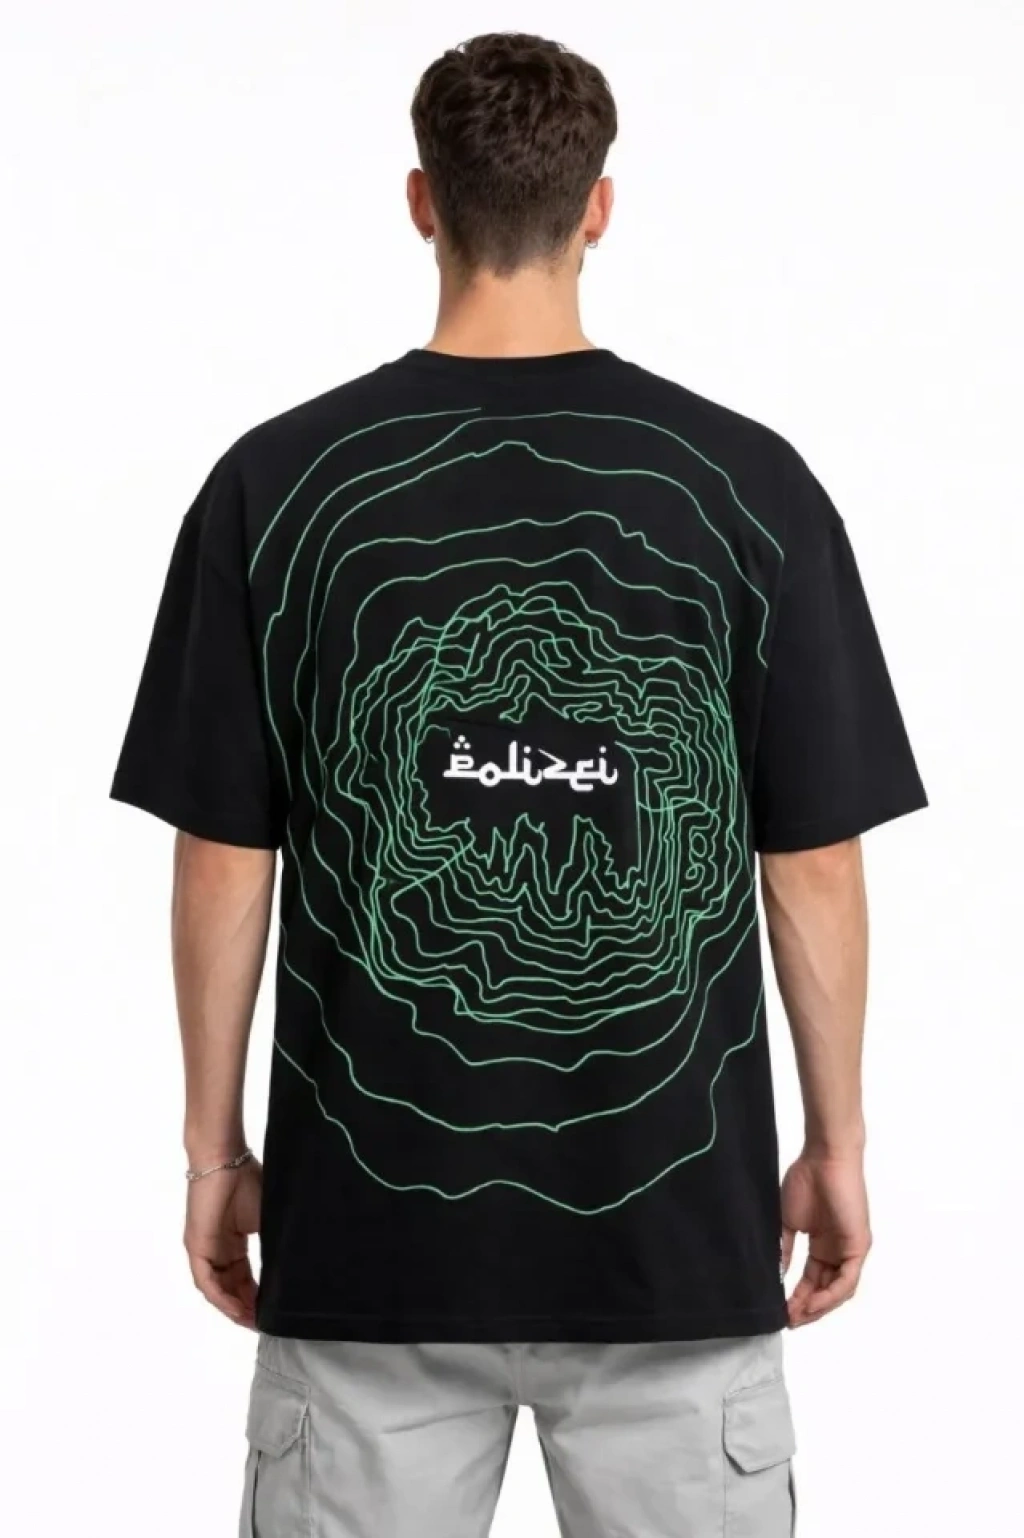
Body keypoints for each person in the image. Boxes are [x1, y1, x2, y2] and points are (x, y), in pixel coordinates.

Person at [111, 30, 927, 1538]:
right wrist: (838, 1145)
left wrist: (216, 1152)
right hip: (675, 1252)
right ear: (598, 208)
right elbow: (812, 858)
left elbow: (222, 854)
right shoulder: (750, 488)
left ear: (422, 200)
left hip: (368, 1253)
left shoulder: (273, 486)